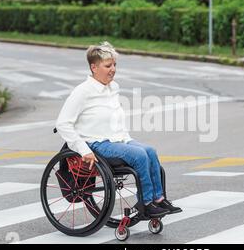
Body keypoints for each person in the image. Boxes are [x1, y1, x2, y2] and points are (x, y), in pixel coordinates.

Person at [55, 41, 182, 218]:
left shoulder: (113, 87)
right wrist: (84, 150)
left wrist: (127, 140)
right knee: (139, 156)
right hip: (95, 143)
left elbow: (115, 120)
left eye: (114, 65)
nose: (113, 69)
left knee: (150, 152)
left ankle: (158, 199)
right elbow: (63, 123)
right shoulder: (82, 91)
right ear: (94, 67)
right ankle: (145, 203)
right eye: (108, 65)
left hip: (117, 139)